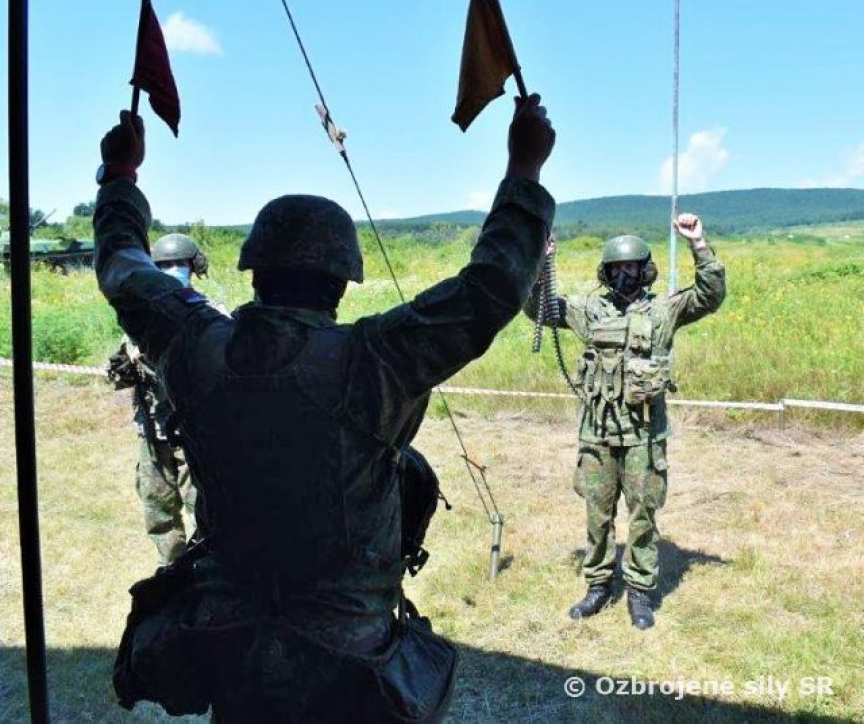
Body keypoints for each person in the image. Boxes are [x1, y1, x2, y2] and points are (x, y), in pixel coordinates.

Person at [94, 95, 556, 722]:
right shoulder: (376, 361)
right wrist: (524, 170)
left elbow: (123, 264)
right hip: (348, 660)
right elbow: (491, 288)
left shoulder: (193, 345)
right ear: (342, 281)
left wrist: (120, 177)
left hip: (231, 645)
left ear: (254, 270)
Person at [526, 217, 725, 629]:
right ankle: (598, 585)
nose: (623, 273)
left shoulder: (664, 309)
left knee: (642, 514)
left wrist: (699, 244)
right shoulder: (588, 310)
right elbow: (538, 310)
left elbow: (710, 295)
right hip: (597, 433)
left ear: (644, 268)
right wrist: (541, 263)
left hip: (643, 436)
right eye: (616, 267)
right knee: (597, 514)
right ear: (606, 271)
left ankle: (639, 592)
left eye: (630, 266)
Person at [106, 233, 214, 565]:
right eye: (164, 265)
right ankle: (173, 570)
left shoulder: (210, 314)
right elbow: (123, 375)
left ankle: (207, 571)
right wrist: (123, 366)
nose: (172, 270)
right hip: (152, 430)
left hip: (195, 432)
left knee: (205, 507)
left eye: (178, 263)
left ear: (194, 267)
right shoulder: (143, 319)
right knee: (157, 506)